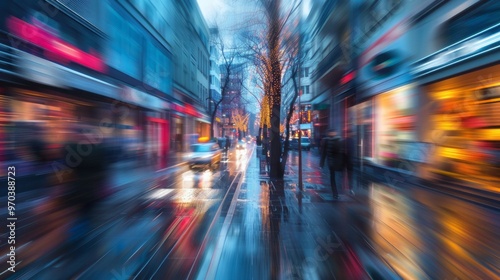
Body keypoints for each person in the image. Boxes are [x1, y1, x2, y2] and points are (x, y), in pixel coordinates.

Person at [320, 129, 345, 200]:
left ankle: (336, 192)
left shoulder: (338, 141)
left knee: (335, 178)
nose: (332, 134)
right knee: (333, 178)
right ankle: (335, 193)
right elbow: (324, 153)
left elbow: (341, 152)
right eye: (331, 133)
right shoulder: (329, 141)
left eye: (333, 132)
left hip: (335, 162)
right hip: (333, 163)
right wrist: (321, 163)